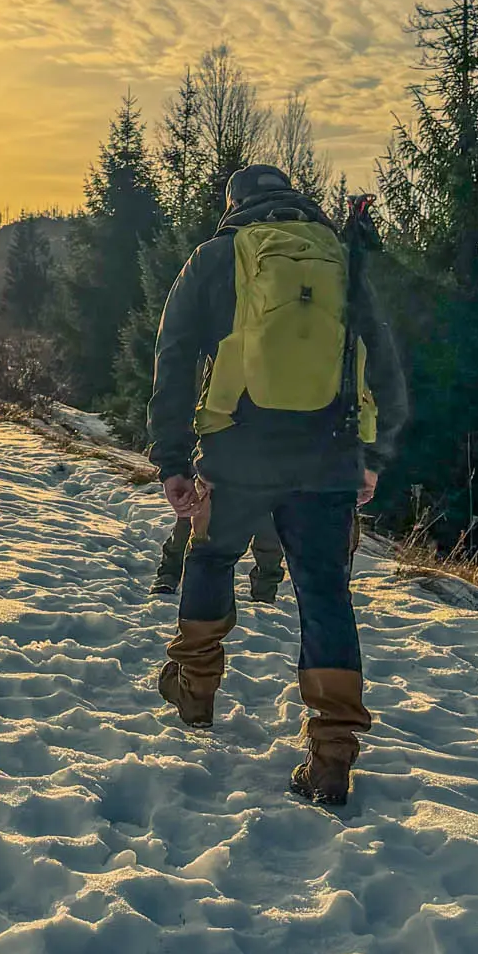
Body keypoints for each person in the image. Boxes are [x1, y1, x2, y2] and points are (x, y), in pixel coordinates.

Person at [146, 165, 405, 806]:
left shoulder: (214, 257)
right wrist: (372, 456)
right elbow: (385, 359)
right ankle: (333, 750)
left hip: (238, 452)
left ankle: (196, 692)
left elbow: (175, 356)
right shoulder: (342, 261)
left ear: (234, 205)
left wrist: (173, 458)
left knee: (210, 556)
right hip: (331, 457)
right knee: (324, 593)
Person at [151, 512, 285, 602]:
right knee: (192, 517)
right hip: (217, 474)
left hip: (272, 477)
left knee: (270, 529)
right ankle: (169, 573)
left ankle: (265, 589)